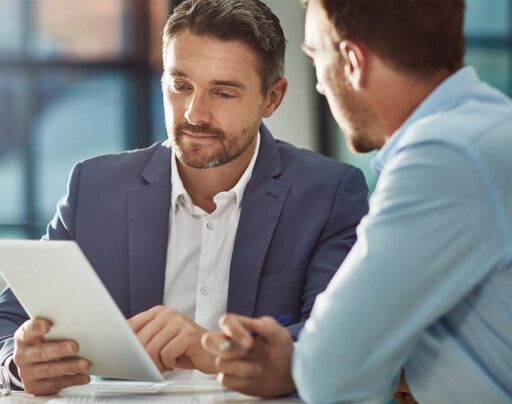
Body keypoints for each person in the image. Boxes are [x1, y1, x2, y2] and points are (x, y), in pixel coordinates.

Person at [0, 0, 368, 396]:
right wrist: (16, 363)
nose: (195, 113)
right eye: (180, 86)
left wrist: (210, 349)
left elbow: (338, 340)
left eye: (223, 93)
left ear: (272, 98)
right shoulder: (96, 187)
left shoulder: (328, 194)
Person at [202, 0, 512, 402]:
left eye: (316, 56)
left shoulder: (443, 155)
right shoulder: (490, 126)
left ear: (352, 61)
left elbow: (329, 375)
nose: (317, 84)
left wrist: (298, 363)